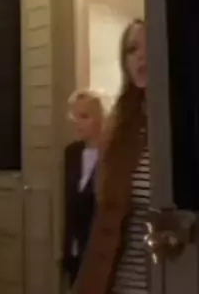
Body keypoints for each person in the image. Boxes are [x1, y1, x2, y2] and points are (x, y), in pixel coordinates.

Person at [72, 19, 150, 294]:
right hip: (125, 282)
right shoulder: (121, 128)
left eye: (149, 46)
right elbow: (103, 226)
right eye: (132, 49)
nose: (141, 56)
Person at [62, 90, 104, 288]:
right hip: (76, 248)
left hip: (101, 248)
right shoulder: (72, 153)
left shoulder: (111, 153)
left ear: (101, 118)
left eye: (85, 116)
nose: (78, 123)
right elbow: (67, 203)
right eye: (75, 117)